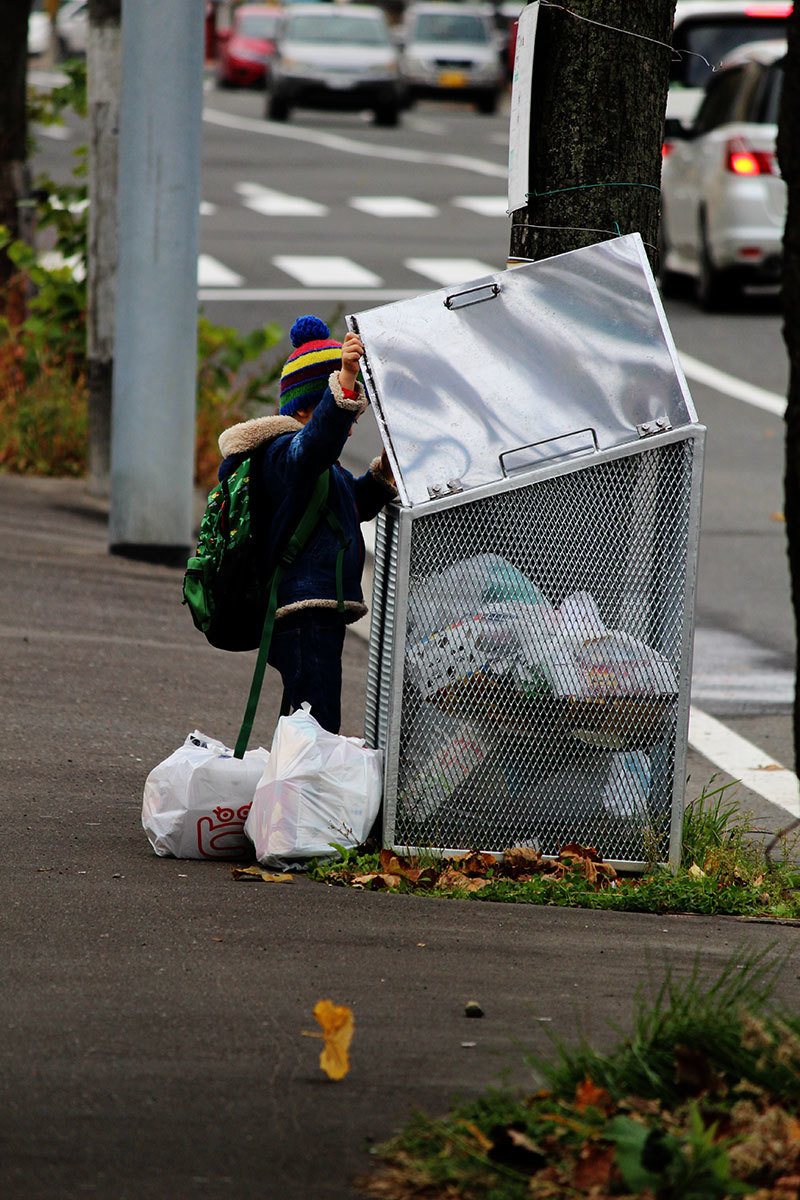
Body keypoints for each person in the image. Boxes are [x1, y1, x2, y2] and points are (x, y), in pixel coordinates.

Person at [217, 314, 397, 734]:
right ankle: (306, 794)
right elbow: (317, 442)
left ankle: (289, 792)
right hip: (304, 611)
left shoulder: (315, 467)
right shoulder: (286, 455)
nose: (351, 430)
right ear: (303, 408)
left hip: (313, 610)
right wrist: (346, 377)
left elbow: (350, 506)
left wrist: (383, 472)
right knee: (317, 720)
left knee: (303, 716)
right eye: (345, 413)